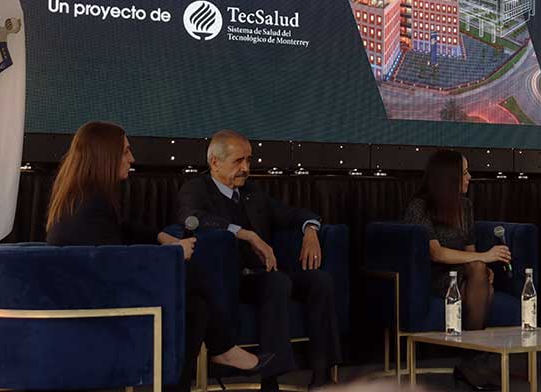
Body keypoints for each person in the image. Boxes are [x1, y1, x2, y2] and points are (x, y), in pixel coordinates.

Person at [46, 121, 271, 392]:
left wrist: (161, 237)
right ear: (106, 156)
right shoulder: (89, 203)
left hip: (98, 289)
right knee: (190, 275)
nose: (132, 158)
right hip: (95, 302)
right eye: (126, 152)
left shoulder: (84, 194)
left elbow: (121, 229)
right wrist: (172, 253)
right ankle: (223, 347)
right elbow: (111, 262)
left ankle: (218, 351)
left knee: (196, 307)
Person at [177, 130, 341, 391]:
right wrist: (245, 234)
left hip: (263, 272)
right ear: (215, 162)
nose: (246, 168)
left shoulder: (252, 192)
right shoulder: (197, 189)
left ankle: (323, 374)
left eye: (249, 160)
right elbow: (191, 219)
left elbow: (294, 214)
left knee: (318, 280)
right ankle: (271, 380)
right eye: (238, 161)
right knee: (276, 283)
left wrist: (310, 230)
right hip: (225, 280)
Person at [403, 150, 511, 392]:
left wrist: (480, 270)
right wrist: (482, 259)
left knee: (481, 275)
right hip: (432, 277)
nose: (469, 177)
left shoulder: (465, 206)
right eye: (464, 173)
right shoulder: (419, 207)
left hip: (461, 275)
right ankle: (474, 363)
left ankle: (472, 364)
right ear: (448, 177)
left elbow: (469, 250)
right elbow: (436, 253)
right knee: (482, 278)